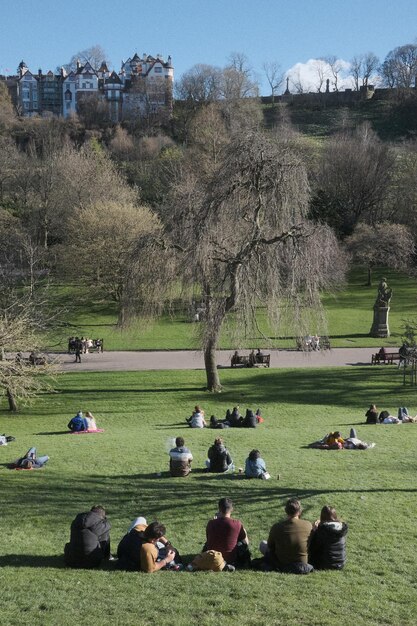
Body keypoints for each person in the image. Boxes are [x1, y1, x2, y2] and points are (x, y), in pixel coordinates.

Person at [260, 498, 313, 574]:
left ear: (286, 511)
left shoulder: (276, 527)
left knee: (262, 544)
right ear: (299, 511)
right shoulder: (308, 525)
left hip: (282, 563)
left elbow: (270, 546)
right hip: (302, 562)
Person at [205, 498, 249, 568]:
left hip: (213, 558)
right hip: (231, 559)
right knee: (242, 542)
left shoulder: (211, 523)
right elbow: (245, 541)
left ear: (219, 509)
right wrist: (243, 528)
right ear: (232, 509)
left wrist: (215, 522)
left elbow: (208, 539)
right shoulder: (237, 524)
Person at [308, 506, 348, 570]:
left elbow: (312, 547)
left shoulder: (322, 530)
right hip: (341, 563)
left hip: (325, 564)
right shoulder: (341, 528)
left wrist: (314, 530)